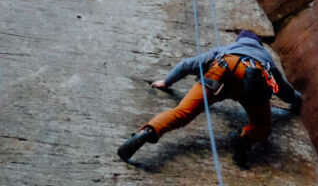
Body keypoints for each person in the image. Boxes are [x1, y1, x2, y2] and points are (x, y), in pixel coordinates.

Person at [117, 30, 302, 166]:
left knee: (182, 112)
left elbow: (186, 65)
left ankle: (148, 131)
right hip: (253, 81)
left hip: (221, 71)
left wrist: (166, 82)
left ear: (240, 40)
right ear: (258, 45)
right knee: (262, 126)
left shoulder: (225, 50)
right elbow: (285, 91)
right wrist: (298, 101)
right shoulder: (266, 60)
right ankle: (243, 136)